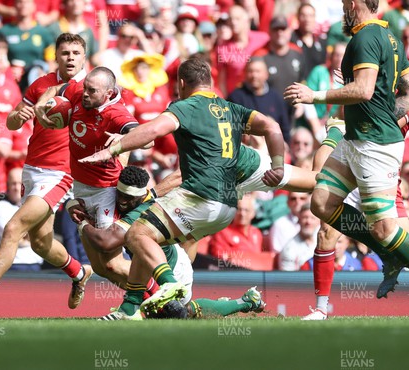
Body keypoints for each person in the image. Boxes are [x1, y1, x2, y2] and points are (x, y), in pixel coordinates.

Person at [80, 57, 285, 319]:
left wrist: (112, 151)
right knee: (147, 244)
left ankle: (160, 290)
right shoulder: (229, 109)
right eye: (119, 196)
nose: (121, 202)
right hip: (218, 210)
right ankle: (242, 302)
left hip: (185, 235)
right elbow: (271, 126)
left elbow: (154, 130)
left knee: (137, 237)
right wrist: (280, 167)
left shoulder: (184, 108)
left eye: (124, 198)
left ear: (181, 83)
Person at [284, 0, 409, 317]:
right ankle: (388, 254)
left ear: (355, 2)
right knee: (322, 202)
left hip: (374, 144)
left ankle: (391, 251)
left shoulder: (367, 37)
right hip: (356, 138)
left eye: (345, 2)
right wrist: (393, 113)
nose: (343, 7)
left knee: (384, 229)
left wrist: (314, 95)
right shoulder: (388, 36)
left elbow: (363, 90)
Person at [0, 33, 92, 318]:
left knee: (14, 227)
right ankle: (79, 273)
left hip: (60, 173)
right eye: (65, 52)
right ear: (56, 57)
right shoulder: (39, 84)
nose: (71, 57)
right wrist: (22, 114)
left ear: (84, 57)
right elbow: (12, 122)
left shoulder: (87, 90)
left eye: (76, 52)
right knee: (40, 243)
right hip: (32, 169)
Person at [77, 166, 266, 320]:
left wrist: (82, 223)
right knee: (159, 311)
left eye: (129, 198)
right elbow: (178, 174)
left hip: (174, 269)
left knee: (181, 314)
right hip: (152, 264)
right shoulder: (120, 200)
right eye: (120, 195)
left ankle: (244, 302)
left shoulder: (141, 210)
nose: (123, 202)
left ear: (141, 197)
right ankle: (130, 307)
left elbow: (104, 242)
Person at [34, 66, 142, 281]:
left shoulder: (116, 113)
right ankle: (149, 301)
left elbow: (148, 138)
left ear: (108, 94)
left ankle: (162, 297)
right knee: (99, 268)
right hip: (81, 187)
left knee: (113, 263)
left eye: (92, 91)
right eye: (85, 87)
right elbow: (56, 89)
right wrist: (39, 105)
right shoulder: (79, 93)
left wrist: (120, 144)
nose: (85, 93)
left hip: (106, 190)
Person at [0, 168, 43, 271]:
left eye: (20, 183)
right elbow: (13, 237)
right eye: (13, 184)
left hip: (35, 264)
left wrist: (26, 236)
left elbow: (40, 237)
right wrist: (31, 236)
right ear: (7, 186)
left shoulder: (34, 206)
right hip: (11, 265)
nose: (17, 188)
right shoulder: (1, 207)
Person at [278, 203, 321, 271]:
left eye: (313, 218)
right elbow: (288, 278)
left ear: (319, 222)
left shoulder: (322, 242)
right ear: (299, 220)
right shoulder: (290, 249)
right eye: (305, 217)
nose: (308, 222)